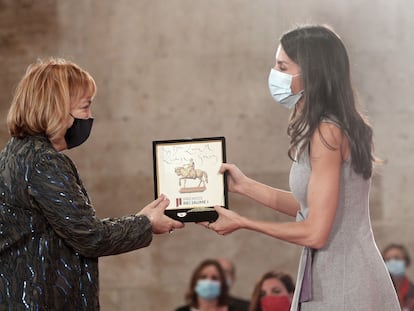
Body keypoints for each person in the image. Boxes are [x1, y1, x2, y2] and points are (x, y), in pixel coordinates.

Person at [201, 25, 400, 310]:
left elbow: (315, 231)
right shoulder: (325, 128)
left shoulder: (328, 132)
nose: (275, 74)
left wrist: (244, 222)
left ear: (312, 72)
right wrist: (244, 186)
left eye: (282, 66)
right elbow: (309, 205)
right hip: (329, 271)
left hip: (345, 277)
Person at [0, 58, 184, 310]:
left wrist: (140, 220)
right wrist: (146, 224)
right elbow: (90, 237)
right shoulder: (45, 162)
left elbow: (72, 228)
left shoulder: (12, 154)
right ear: (58, 107)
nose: (90, 117)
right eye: (86, 106)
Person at [382, 243, 414, 311]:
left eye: (396, 258)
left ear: (406, 261)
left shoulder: (412, 291)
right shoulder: (379, 291)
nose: (392, 262)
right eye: (388, 259)